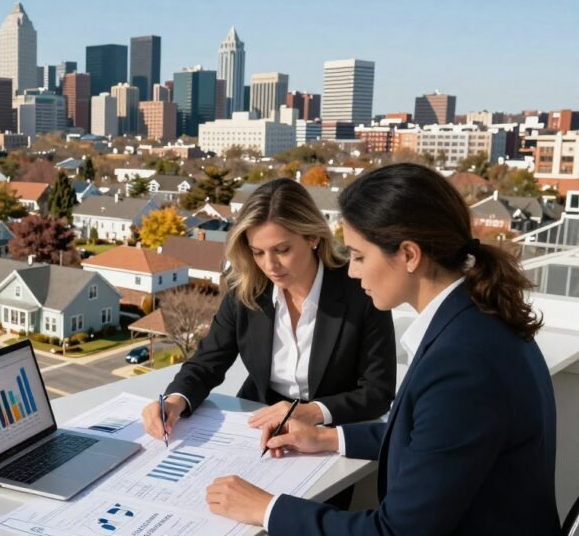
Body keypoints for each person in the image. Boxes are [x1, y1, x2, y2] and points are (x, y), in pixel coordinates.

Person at [205, 163, 559, 534]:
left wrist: (266, 509)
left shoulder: (462, 365)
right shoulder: (477, 321)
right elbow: (430, 439)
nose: (352, 272)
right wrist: (327, 437)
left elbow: (393, 532)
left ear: (409, 255)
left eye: (359, 256)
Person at [142, 178, 396, 445]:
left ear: (312, 237)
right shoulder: (245, 292)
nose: (270, 265)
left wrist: (311, 412)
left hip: (328, 434)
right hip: (257, 425)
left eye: (282, 250)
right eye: (258, 252)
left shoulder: (361, 290)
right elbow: (206, 364)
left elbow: (378, 392)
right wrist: (175, 400)